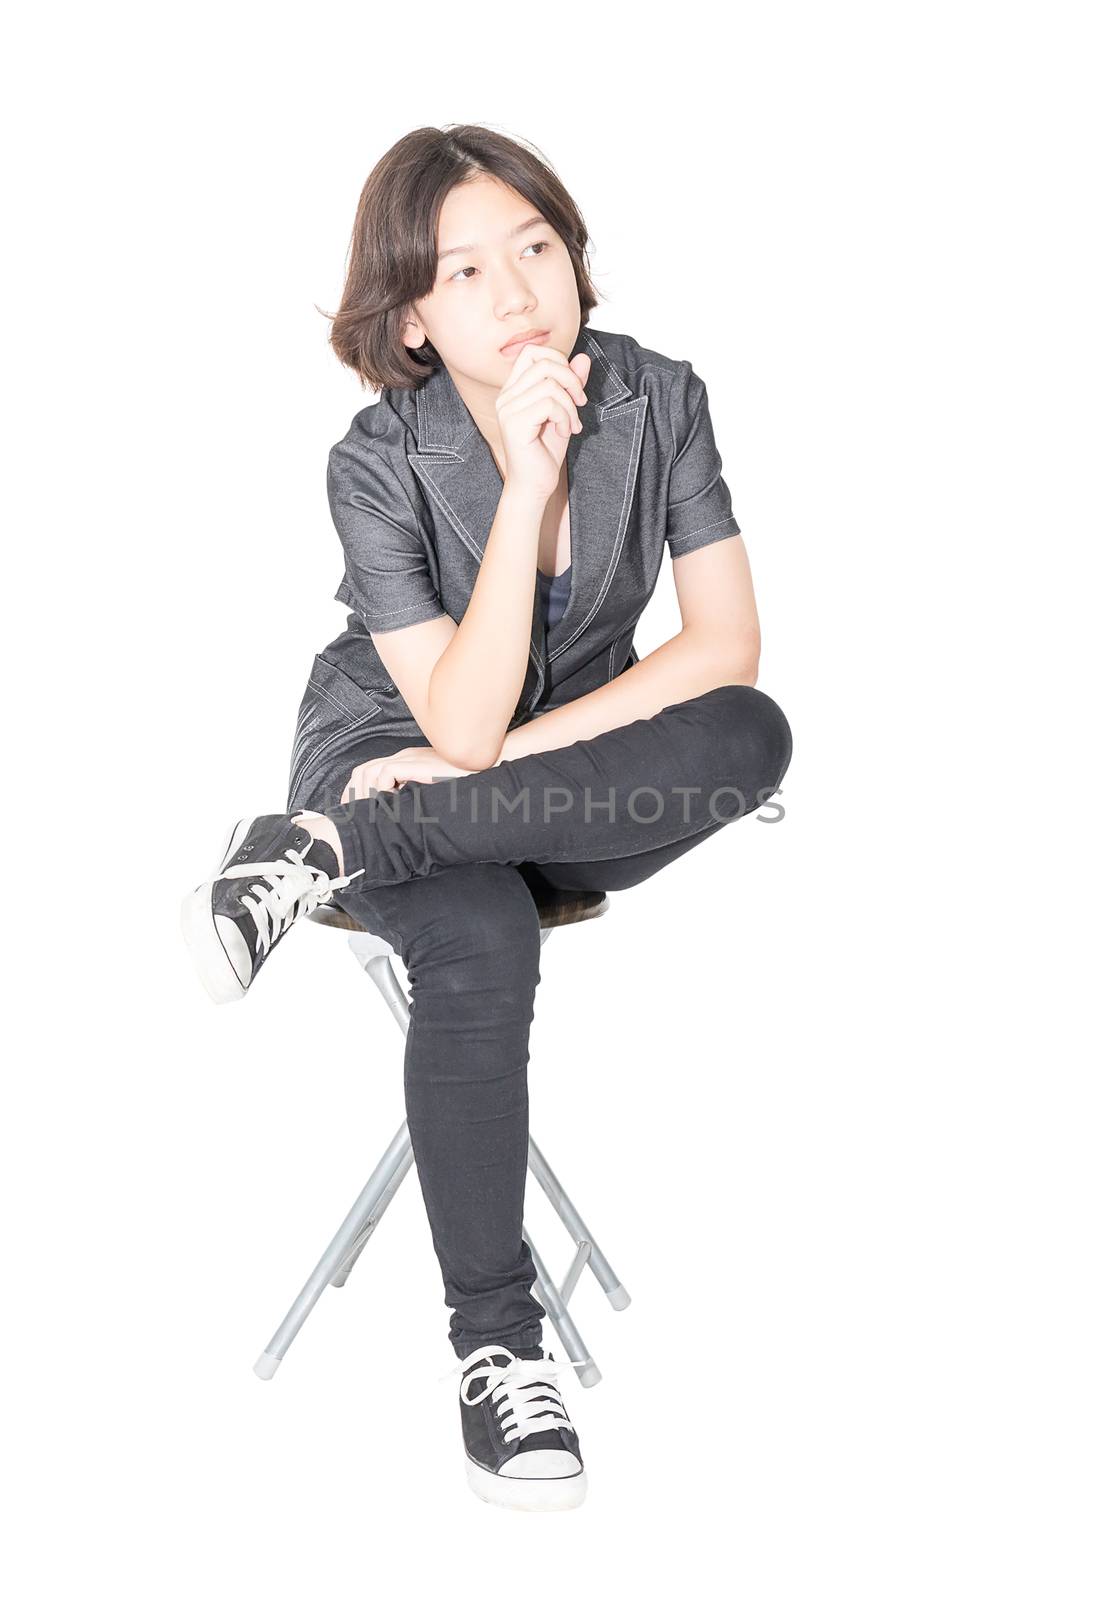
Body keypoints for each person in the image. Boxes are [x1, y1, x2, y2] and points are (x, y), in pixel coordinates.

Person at [180, 124, 793, 1513]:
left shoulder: (658, 398)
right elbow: (443, 727)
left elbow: (720, 650)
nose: (517, 292)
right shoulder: (376, 462)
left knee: (751, 737)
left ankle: (326, 853)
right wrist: (524, 488)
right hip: (393, 743)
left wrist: (498, 771)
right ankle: (498, 1350)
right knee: (479, 945)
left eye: (533, 244)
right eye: (464, 270)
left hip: (518, 774)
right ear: (407, 315)